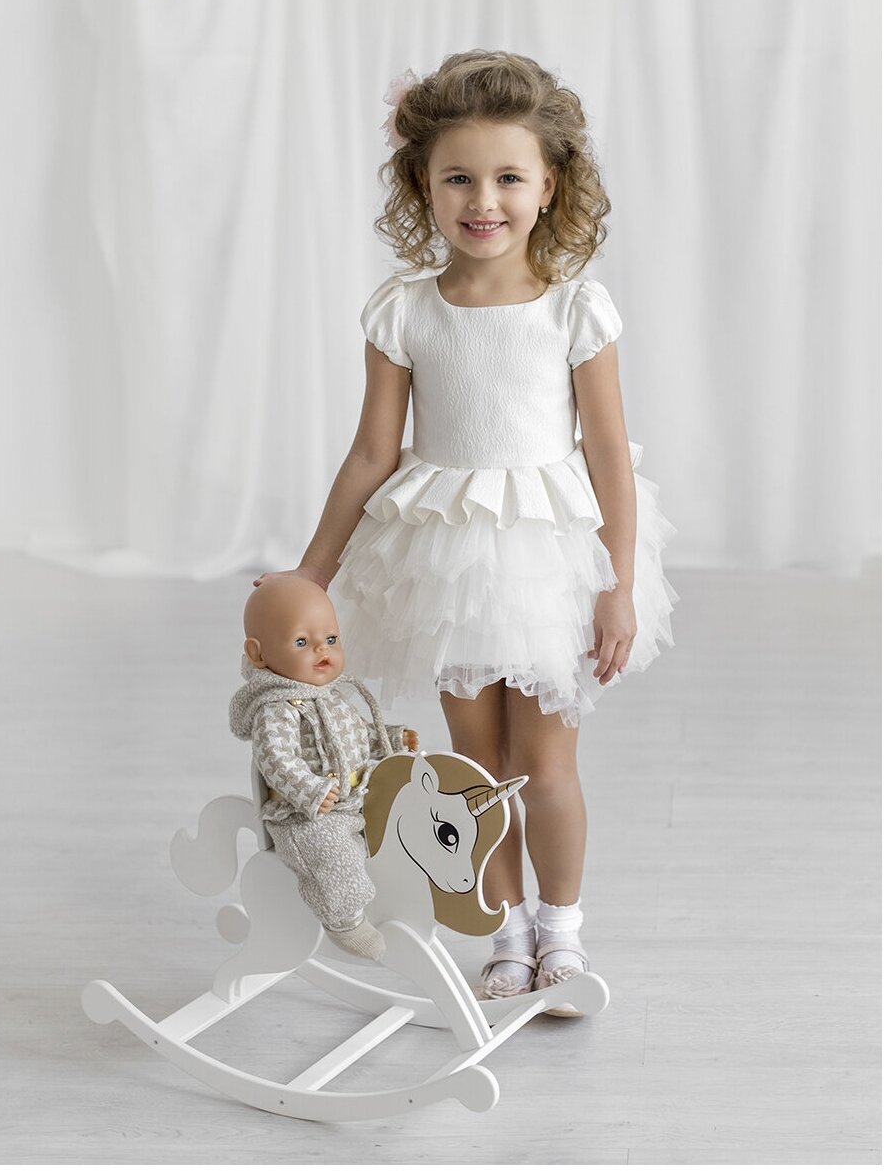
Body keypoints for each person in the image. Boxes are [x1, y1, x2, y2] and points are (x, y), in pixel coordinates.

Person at [256, 50, 679, 1013]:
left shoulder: (575, 308)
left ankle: (563, 932)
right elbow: (372, 453)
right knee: (473, 770)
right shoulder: (404, 310)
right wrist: (311, 575)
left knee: (547, 765)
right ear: (423, 184)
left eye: (508, 178)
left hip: (550, 557)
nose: (483, 201)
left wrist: (616, 584)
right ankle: (506, 933)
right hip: (444, 559)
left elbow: (609, 457)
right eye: (458, 178)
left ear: (549, 185)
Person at [230, 574, 419, 960]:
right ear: (259, 654)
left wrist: (391, 739)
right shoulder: (276, 709)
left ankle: (405, 902)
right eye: (302, 642)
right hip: (307, 815)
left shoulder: (329, 697)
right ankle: (344, 922)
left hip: (354, 799)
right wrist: (309, 790)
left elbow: (356, 735)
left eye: (331, 639)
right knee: (334, 858)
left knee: (407, 824)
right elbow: (275, 759)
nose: (322, 649)